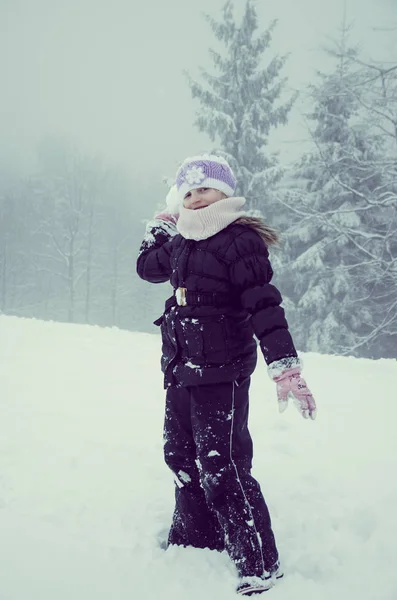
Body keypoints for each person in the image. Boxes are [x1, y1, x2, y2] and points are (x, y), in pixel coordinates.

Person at [136, 154, 317, 596]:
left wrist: (284, 364)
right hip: (181, 369)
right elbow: (147, 269)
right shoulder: (181, 239)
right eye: (189, 191)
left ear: (225, 192)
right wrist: (158, 230)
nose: (197, 197)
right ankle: (196, 538)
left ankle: (258, 564)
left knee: (224, 467)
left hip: (222, 373)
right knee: (179, 456)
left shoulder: (239, 241)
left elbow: (264, 304)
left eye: (205, 189)